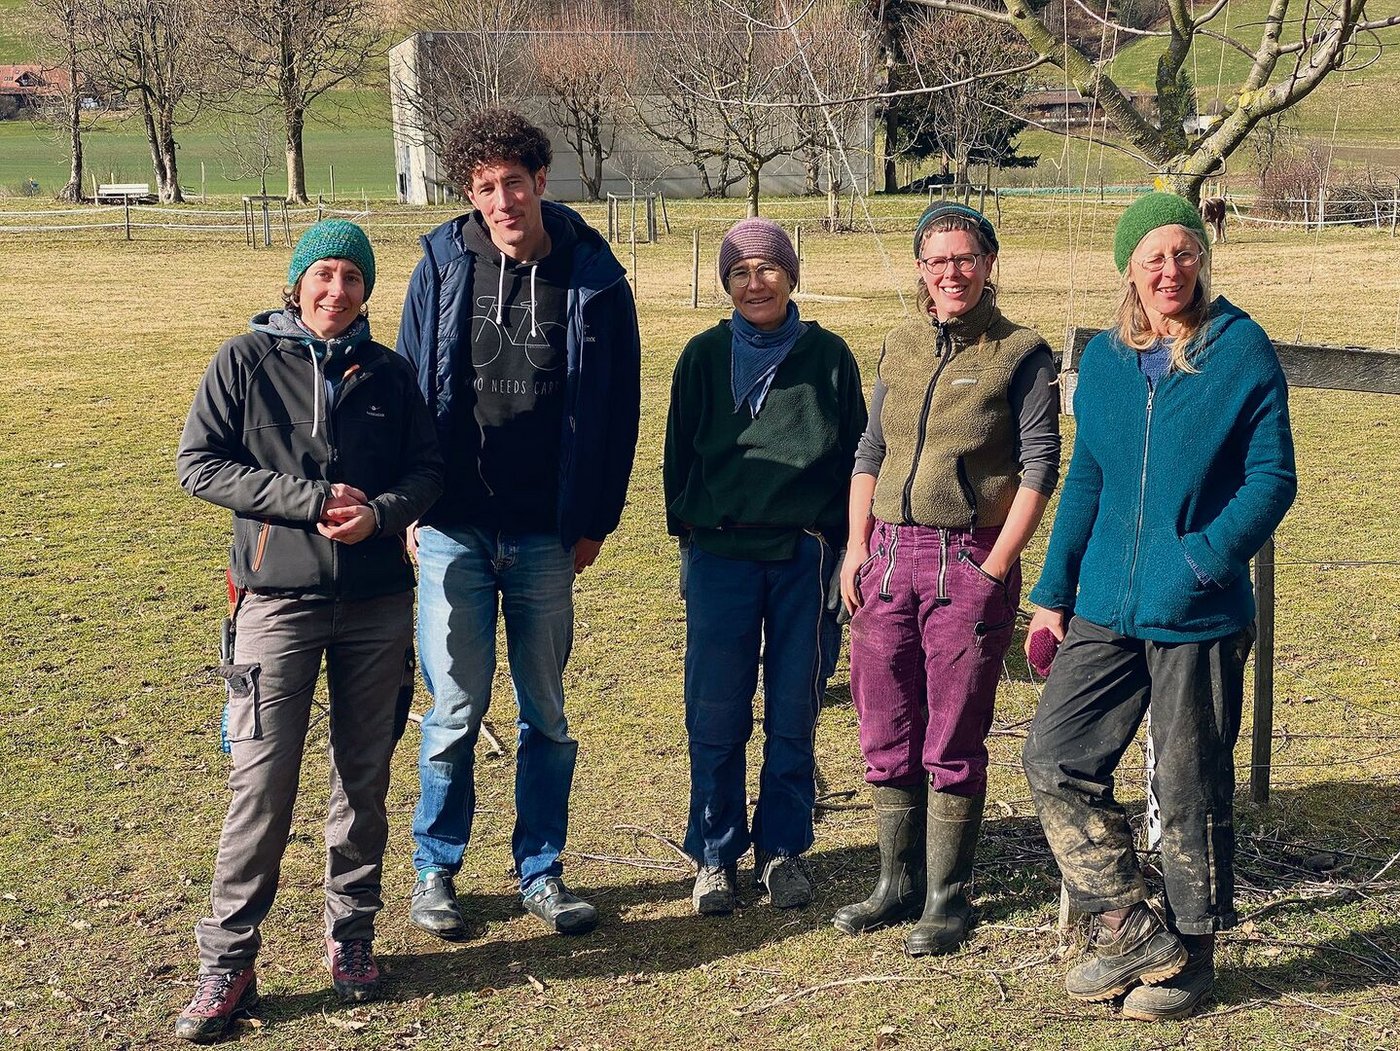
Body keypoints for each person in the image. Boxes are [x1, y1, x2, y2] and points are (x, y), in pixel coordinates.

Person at [1020, 192, 1297, 1019]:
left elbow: (1272, 478)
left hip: (1199, 609)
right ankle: (1128, 926)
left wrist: (1201, 560)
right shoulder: (1106, 360)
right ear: (1129, 270)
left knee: (1189, 784)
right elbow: (1088, 478)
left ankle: (1191, 961)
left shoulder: (1239, 348)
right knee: (1053, 757)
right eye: (1153, 257)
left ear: (1201, 260)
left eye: (1183, 253)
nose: (1170, 270)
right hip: (1106, 602)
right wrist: (1053, 593)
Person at [174, 220, 444, 1041]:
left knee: (362, 778)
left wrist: (380, 514)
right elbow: (199, 463)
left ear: (367, 290)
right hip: (274, 601)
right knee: (261, 784)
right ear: (296, 283)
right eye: (324, 274)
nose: (337, 290)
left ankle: (350, 933)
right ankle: (229, 958)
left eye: (353, 277)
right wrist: (306, 501)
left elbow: (428, 470)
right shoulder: (244, 361)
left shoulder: (390, 373)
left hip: (376, 603)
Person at [397, 108, 641, 939]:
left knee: (547, 713)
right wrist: (410, 505)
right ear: (470, 194)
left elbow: (620, 410)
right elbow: (409, 390)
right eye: (483, 187)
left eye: (513, 182)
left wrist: (596, 521)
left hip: (546, 533)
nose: (501, 200)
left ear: (541, 180)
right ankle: (436, 869)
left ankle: (542, 869)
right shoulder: (440, 266)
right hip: (453, 528)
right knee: (453, 710)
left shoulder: (596, 276)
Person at [835, 203, 1061, 955]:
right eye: (937, 260)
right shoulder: (899, 344)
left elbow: (1040, 465)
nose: (951, 273)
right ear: (920, 269)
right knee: (884, 720)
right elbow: (870, 450)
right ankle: (894, 882)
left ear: (989, 263)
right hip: (886, 557)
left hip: (967, 556)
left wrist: (995, 565)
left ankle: (947, 897)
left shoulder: (1021, 354)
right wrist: (855, 547)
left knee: (954, 731)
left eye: (965, 258)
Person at [664, 218, 866, 915]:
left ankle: (783, 848)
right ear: (726, 283)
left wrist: (845, 549)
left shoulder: (828, 356)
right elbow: (678, 458)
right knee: (715, 709)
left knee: (793, 706)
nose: (756, 283)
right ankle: (715, 853)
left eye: (769, 268)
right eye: (741, 272)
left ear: (792, 275)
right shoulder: (701, 355)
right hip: (720, 554)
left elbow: (855, 460)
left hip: (803, 556)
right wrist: (689, 541)